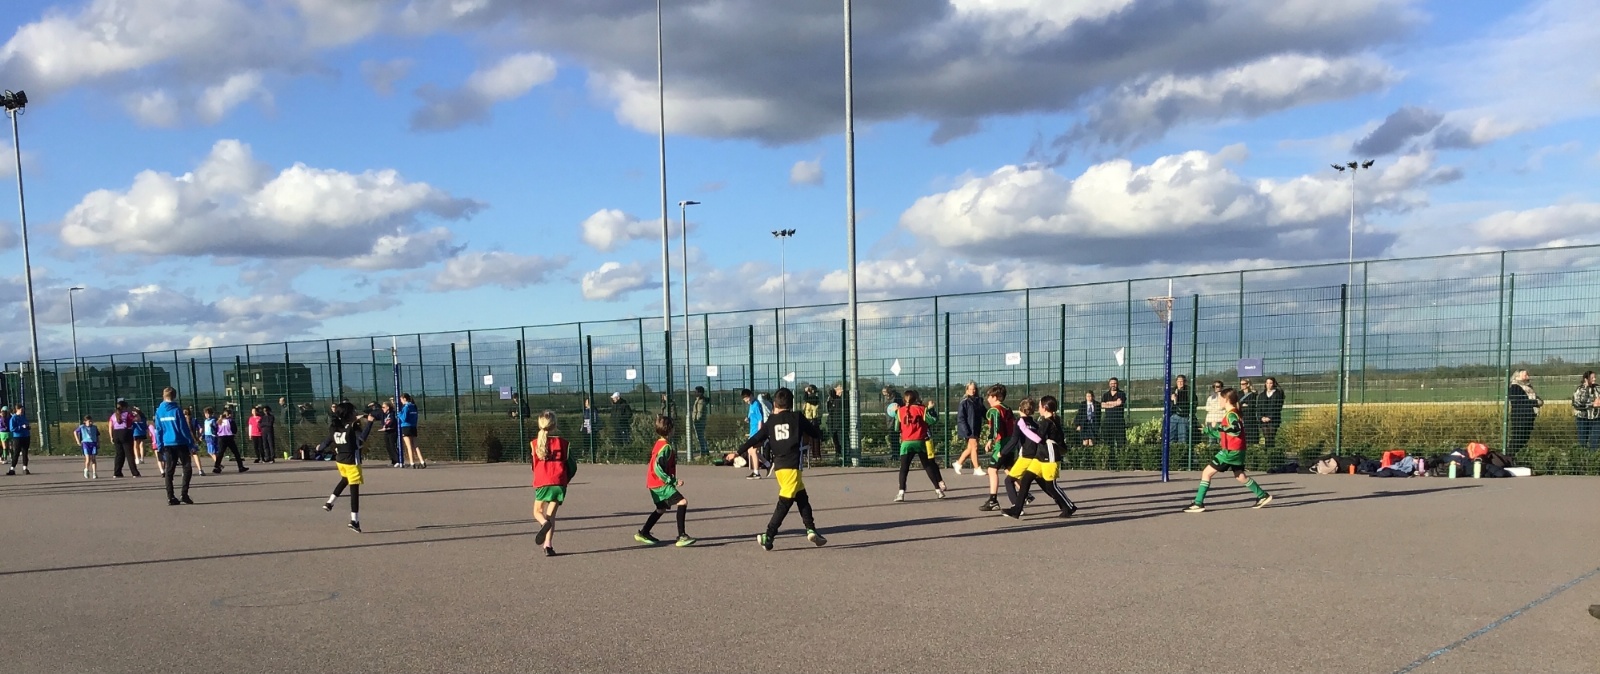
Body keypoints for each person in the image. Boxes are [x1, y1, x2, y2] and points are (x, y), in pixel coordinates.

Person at [738, 388, 827, 551]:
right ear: (791, 404)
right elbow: (815, 434)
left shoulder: (771, 420)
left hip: (779, 468)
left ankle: (811, 529)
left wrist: (737, 452)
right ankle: (768, 535)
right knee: (784, 503)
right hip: (793, 467)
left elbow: (756, 438)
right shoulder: (797, 417)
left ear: (774, 404)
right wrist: (812, 430)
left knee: (802, 497)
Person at [1184, 388, 1272, 513]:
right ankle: (1262, 495)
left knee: (1207, 473)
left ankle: (1198, 503)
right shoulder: (1233, 413)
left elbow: (1235, 429)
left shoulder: (1231, 415)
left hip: (1230, 451)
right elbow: (1225, 434)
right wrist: (1209, 431)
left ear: (1226, 399)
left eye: (1220, 398)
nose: (1219, 401)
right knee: (1240, 476)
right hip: (1238, 450)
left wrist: (1221, 427)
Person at [1000, 397, 1076, 520]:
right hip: (1039, 457)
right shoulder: (1047, 421)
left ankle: (1068, 507)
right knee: (1026, 479)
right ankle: (1016, 510)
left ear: (1045, 408)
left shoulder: (1048, 422)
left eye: (1040, 406)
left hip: (1049, 457)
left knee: (1051, 486)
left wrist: (1024, 428)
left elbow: (1038, 438)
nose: (1038, 408)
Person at [634, 415, 696, 547]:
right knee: (682, 502)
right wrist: (672, 481)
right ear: (670, 429)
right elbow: (657, 467)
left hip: (652, 483)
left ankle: (644, 532)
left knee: (661, 509)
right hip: (660, 483)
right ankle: (682, 536)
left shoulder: (659, 443)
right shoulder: (666, 447)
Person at [530, 411, 574, 557]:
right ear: (555, 425)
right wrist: (565, 479)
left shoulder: (535, 443)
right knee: (551, 515)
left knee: (537, 511)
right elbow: (572, 466)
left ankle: (543, 523)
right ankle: (548, 546)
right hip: (559, 483)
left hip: (543, 481)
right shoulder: (563, 443)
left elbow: (533, 465)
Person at [320, 402, 369, 532]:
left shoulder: (335, 426)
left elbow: (329, 439)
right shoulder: (353, 427)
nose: (355, 413)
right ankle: (354, 521)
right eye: (353, 411)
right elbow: (362, 439)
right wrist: (369, 423)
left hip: (340, 461)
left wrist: (321, 447)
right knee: (354, 491)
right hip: (352, 461)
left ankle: (330, 502)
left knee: (345, 479)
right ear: (349, 414)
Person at [893, 390, 946, 502]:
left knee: (904, 468)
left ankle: (901, 493)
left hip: (906, 443)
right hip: (920, 441)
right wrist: (931, 409)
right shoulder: (921, 409)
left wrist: (896, 413)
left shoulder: (900, 411)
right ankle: (938, 490)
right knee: (927, 466)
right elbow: (933, 421)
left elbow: (896, 428)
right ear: (916, 399)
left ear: (904, 400)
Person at [154, 387, 197, 506]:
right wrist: (191, 443)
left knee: (169, 470)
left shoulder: (159, 411)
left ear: (163, 396)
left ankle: (170, 496)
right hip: (180, 442)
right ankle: (184, 494)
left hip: (167, 443)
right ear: (174, 396)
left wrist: (159, 445)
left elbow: (158, 429)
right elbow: (183, 428)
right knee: (187, 467)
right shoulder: (177, 410)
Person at [979, 384, 1015, 512]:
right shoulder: (1007, 408)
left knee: (992, 470)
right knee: (1009, 469)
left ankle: (993, 500)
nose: (988, 399)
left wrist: (990, 440)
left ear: (995, 397)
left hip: (1001, 444)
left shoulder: (994, 410)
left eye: (989, 396)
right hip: (1010, 443)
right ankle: (1025, 493)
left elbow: (995, 427)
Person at [1507, 370, 1542, 454]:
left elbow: (1535, 398)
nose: (1528, 376)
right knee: (1517, 438)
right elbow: (1518, 401)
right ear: (1517, 377)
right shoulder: (1515, 387)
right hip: (1520, 417)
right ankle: (1509, 455)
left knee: (1524, 438)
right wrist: (1535, 402)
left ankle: (1515, 455)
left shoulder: (1528, 387)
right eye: (1525, 375)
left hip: (1528, 416)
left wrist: (1538, 401)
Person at [953, 381, 984, 475]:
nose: (972, 391)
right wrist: (966, 430)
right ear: (966, 390)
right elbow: (961, 418)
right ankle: (977, 468)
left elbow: (984, 412)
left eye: (974, 389)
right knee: (974, 447)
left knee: (970, 448)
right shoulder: (964, 402)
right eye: (970, 389)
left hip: (976, 428)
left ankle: (958, 463)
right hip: (969, 429)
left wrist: (991, 417)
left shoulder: (978, 401)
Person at [110, 400, 141, 478]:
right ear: (125, 407)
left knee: (119, 454)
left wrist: (111, 436)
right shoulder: (127, 414)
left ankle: (117, 472)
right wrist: (136, 413)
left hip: (116, 433)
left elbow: (110, 426)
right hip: (125, 432)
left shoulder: (113, 415)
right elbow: (138, 419)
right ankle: (135, 473)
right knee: (129, 454)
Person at [741, 389, 768, 479]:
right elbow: (753, 418)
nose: (746, 400)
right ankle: (768, 464)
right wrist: (748, 420)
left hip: (756, 432)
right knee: (750, 451)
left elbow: (760, 419)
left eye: (746, 398)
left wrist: (759, 433)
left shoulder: (756, 404)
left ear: (751, 395)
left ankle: (756, 473)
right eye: (744, 399)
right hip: (752, 431)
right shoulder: (751, 405)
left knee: (753, 451)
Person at [1571, 371, 1600, 451]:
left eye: (1595, 377)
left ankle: (1594, 455)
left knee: (1595, 441)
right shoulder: (1580, 389)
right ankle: (1583, 455)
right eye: (1592, 378)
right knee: (1583, 441)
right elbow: (1576, 403)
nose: (1594, 379)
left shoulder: (1598, 388)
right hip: (1582, 418)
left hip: (1596, 418)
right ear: (1586, 379)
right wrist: (1592, 404)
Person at [213, 408, 246, 473]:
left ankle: (217, 467)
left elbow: (215, 429)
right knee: (236, 453)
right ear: (229, 415)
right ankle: (240, 467)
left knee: (220, 453)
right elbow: (234, 430)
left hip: (221, 438)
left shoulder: (219, 421)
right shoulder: (231, 421)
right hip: (229, 438)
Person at [1100, 378, 1127, 451]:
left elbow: (1120, 403)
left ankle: (1121, 456)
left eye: (1115, 383)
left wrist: (1108, 403)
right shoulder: (1106, 395)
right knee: (1108, 443)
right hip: (1108, 422)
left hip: (1119, 422)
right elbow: (1102, 405)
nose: (1113, 385)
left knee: (1121, 443)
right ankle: (1110, 457)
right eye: (1111, 383)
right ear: (1109, 384)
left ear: (1117, 384)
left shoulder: (1121, 394)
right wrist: (1115, 403)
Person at [399, 393, 425, 468]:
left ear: (404, 399)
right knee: (416, 446)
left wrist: (399, 414)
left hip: (406, 427)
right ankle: (422, 461)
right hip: (413, 427)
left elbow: (404, 418)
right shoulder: (414, 406)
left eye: (401, 399)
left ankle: (412, 463)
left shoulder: (406, 407)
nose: (401, 401)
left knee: (409, 446)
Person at [1259, 377, 1285, 449]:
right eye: (1267, 383)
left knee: (1271, 437)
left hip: (1273, 420)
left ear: (1273, 384)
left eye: (1270, 383)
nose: (1269, 385)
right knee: (1266, 437)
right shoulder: (1261, 395)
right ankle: (1267, 451)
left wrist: (1270, 417)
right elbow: (1259, 407)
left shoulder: (1278, 394)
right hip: (1263, 420)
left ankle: (1271, 451)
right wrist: (1261, 417)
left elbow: (1278, 407)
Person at [1170, 375, 1194, 447]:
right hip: (1173, 415)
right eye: (1179, 381)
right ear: (1176, 382)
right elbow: (1167, 402)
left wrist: (1190, 413)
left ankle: (1182, 451)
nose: (1180, 383)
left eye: (1182, 381)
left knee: (1182, 437)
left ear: (1185, 382)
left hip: (1184, 416)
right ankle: (1172, 450)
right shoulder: (1172, 390)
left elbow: (1193, 402)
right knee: (1171, 435)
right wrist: (1171, 399)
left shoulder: (1189, 390)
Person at [6, 403, 30, 476]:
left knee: (25, 452)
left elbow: (27, 424)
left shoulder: (23, 417)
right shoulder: (13, 418)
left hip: (26, 436)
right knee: (16, 453)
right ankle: (12, 469)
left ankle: (25, 468)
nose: (22, 411)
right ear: (17, 410)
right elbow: (12, 429)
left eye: (23, 410)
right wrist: (21, 427)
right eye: (21, 410)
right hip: (18, 437)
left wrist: (28, 427)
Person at [802, 384, 823, 460]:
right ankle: (816, 455)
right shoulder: (817, 400)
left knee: (812, 439)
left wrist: (806, 392)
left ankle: (815, 455)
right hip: (814, 420)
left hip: (810, 420)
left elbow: (807, 400)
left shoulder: (810, 400)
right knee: (814, 439)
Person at [1237, 378, 1260, 447]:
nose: (1242, 385)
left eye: (1243, 384)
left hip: (1251, 416)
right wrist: (1243, 405)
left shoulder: (1252, 394)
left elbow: (1252, 405)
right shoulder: (1239, 394)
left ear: (1248, 384)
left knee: (1252, 433)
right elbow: (1238, 404)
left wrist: (1245, 405)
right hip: (1242, 416)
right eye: (1241, 384)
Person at [77, 415, 100, 480]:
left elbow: (97, 435)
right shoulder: (82, 427)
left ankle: (94, 473)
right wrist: (78, 441)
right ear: (85, 422)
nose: (90, 423)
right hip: (86, 443)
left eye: (91, 421)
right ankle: (86, 470)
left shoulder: (94, 427)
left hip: (93, 443)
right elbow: (75, 432)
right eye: (89, 421)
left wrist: (98, 443)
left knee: (93, 459)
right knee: (88, 458)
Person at [825, 384, 844, 458]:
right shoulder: (831, 400)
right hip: (832, 423)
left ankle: (843, 454)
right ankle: (837, 454)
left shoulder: (841, 400)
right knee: (835, 440)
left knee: (841, 440)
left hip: (839, 423)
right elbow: (831, 393)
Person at [379, 401, 401, 467]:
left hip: (392, 432)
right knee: (388, 446)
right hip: (386, 432)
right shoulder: (384, 414)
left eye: (383, 407)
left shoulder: (392, 413)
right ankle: (393, 461)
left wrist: (386, 426)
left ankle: (398, 460)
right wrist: (384, 426)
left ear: (388, 407)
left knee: (392, 446)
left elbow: (391, 421)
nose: (382, 408)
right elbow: (383, 421)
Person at [690, 387, 710, 459]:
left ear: (700, 393)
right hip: (699, 422)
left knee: (700, 437)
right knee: (701, 437)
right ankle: (705, 451)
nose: (695, 393)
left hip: (699, 422)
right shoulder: (698, 400)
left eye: (696, 392)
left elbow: (700, 412)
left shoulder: (700, 402)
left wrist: (696, 420)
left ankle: (703, 453)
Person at [882, 387, 903, 455]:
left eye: (885, 392)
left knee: (895, 437)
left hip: (895, 419)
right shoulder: (887, 398)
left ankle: (896, 452)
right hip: (889, 418)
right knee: (892, 437)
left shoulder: (896, 398)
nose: (884, 394)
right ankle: (895, 452)